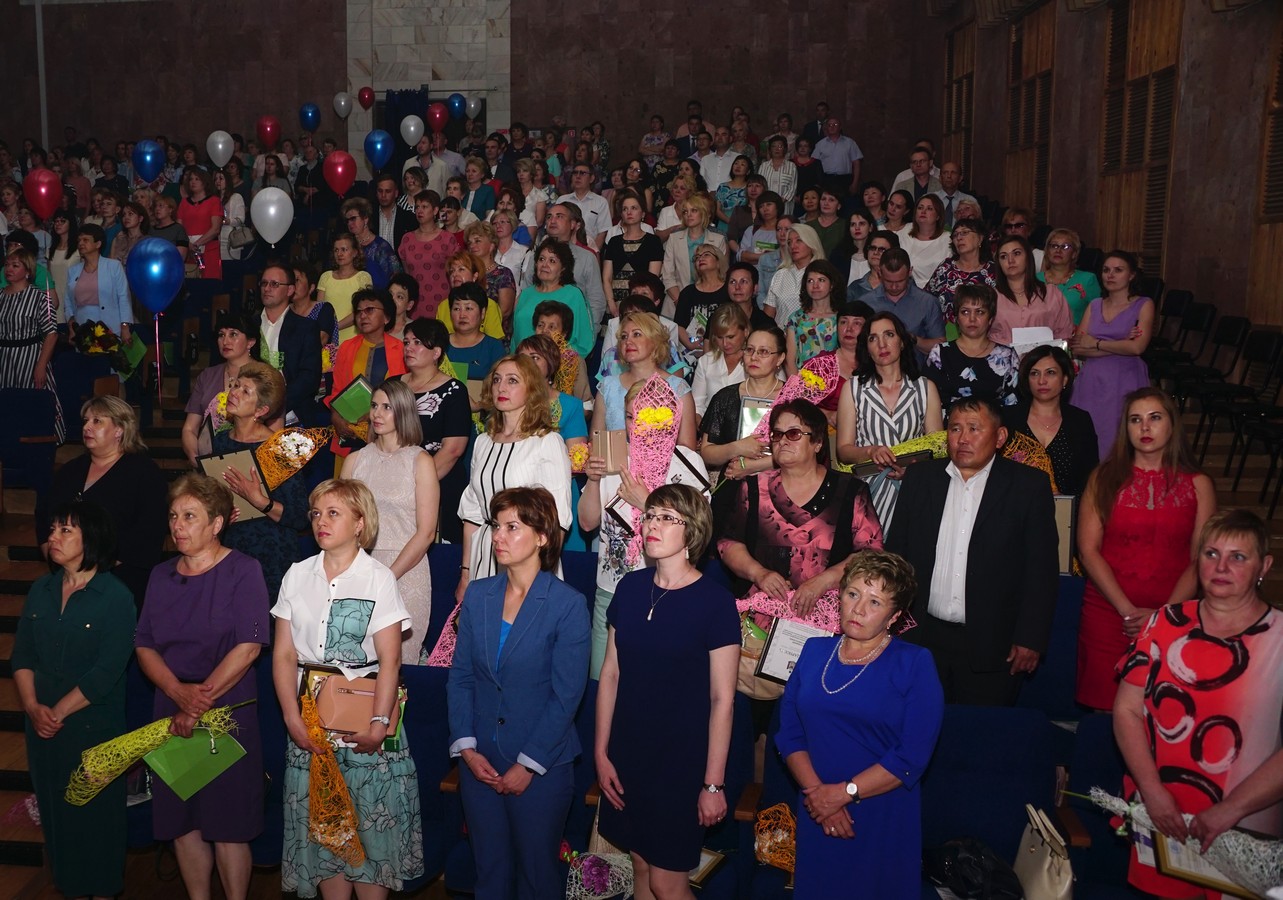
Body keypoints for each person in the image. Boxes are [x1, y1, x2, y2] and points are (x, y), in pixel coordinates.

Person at [1114, 509, 1283, 898]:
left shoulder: (1279, 639)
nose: (1221, 567)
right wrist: (1153, 792)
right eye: (1211, 554)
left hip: (1246, 824)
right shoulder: (1163, 623)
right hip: (1164, 816)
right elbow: (1126, 711)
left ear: (1264, 566)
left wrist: (1230, 810)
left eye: (1237, 557)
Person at [271, 479, 423, 898]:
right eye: (316, 513)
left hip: (365, 719)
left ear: (360, 523)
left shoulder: (378, 579)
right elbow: (283, 655)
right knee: (323, 838)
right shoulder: (297, 574)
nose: (321, 521)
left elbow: (390, 661)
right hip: (310, 723)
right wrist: (290, 718)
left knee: (372, 839)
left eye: (333, 513)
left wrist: (379, 723)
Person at [596, 485, 739, 898]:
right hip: (628, 753)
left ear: (692, 530)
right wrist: (601, 752)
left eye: (666, 518)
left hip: (681, 763)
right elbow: (610, 674)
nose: (651, 525)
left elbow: (723, 700)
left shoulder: (715, 602)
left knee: (667, 882)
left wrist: (713, 784)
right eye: (649, 515)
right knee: (641, 866)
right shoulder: (630, 587)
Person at [447, 486, 591, 899]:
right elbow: (460, 677)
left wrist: (528, 765)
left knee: (537, 879)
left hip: (541, 765)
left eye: (512, 527)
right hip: (479, 762)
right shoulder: (479, 595)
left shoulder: (567, 604)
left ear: (542, 536)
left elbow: (567, 696)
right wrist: (466, 749)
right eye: (496, 526)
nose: (498, 536)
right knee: (489, 876)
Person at [776, 550, 944, 897]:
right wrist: (819, 797)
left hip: (880, 814)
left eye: (875, 602)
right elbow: (789, 734)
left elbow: (911, 756)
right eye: (853, 594)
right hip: (816, 808)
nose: (859, 609)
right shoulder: (814, 651)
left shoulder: (914, 663)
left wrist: (842, 794)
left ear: (894, 616)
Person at [135, 475, 268, 900]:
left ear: (216, 524)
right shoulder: (160, 575)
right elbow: (144, 644)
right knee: (182, 821)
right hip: (171, 709)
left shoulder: (243, 570)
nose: (178, 525)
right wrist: (178, 694)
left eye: (190, 516)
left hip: (226, 710)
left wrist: (196, 702)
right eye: (174, 516)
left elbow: (249, 646)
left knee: (228, 825)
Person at [886, 397, 1059, 706]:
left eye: (974, 429)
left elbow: (1041, 571)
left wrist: (1030, 638)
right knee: (919, 727)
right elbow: (897, 554)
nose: (962, 438)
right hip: (922, 637)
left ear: (1000, 437)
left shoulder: (1028, 487)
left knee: (981, 730)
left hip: (994, 642)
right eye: (955, 429)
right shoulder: (921, 479)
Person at [15, 501, 134, 899]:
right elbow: (22, 656)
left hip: (92, 729)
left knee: (97, 826)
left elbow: (107, 671)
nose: (53, 537)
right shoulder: (41, 589)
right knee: (57, 822)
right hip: (43, 730)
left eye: (65, 530)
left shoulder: (115, 597)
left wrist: (58, 711)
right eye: (53, 529)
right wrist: (33, 708)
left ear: (91, 538)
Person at [1077, 388, 1215, 710]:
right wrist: (1127, 611)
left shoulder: (1199, 484)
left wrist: (1162, 617)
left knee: (1165, 711)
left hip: (1175, 613)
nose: (1145, 427)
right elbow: (1088, 551)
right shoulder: (1103, 478)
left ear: (1172, 424)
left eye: (1155, 418)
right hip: (1109, 612)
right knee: (1104, 711)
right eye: (1135, 420)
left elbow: (1200, 559)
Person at [581, 380, 710, 676]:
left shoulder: (687, 462)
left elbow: (698, 533)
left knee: (655, 681)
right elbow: (587, 523)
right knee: (603, 679)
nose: (635, 424)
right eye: (629, 416)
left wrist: (646, 503)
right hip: (611, 589)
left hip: (669, 592)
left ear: (667, 417)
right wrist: (593, 480)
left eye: (646, 415)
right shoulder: (613, 457)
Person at [716, 398, 886, 608]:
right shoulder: (753, 487)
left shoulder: (850, 490)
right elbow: (728, 544)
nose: (783, 441)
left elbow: (871, 552)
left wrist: (824, 581)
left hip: (827, 610)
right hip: (759, 608)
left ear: (818, 443)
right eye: (777, 434)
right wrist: (759, 574)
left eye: (794, 434)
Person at [456, 355, 574, 601]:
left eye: (512, 380)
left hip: (529, 560)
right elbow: (472, 514)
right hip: (484, 554)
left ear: (531, 389)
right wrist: (465, 573)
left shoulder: (547, 442)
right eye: (497, 380)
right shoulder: (483, 442)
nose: (501, 387)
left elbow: (558, 518)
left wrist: (538, 574)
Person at [38, 396, 168, 606]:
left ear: (119, 430)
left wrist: (95, 569)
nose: (87, 427)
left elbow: (149, 530)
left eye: (97, 421)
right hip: (66, 577)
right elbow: (44, 514)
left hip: (121, 580)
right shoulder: (70, 470)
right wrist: (54, 555)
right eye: (85, 421)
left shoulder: (144, 472)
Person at [344, 379, 439, 664]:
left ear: (403, 412)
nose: (377, 413)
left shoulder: (420, 460)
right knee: (354, 662)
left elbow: (426, 533)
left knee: (398, 665)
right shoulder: (355, 460)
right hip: (359, 568)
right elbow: (341, 524)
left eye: (387, 407)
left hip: (407, 570)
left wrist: (387, 576)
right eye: (374, 406)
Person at [211, 361, 310, 598]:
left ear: (261, 411)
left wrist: (259, 501)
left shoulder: (281, 448)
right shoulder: (220, 441)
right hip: (229, 547)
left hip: (272, 554)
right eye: (236, 385)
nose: (234, 393)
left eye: (245, 391)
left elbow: (300, 517)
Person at [837, 312, 944, 527]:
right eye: (873, 338)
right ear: (867, 348)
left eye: (889, 334)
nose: (882, 344)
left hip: (913, 490)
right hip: (867, 492)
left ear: (902, 342)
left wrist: (912, 472)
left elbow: (937, 449)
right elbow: (843, 451)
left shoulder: (925, 388)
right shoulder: (853, 388)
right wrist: (870, 451)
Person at [1068, 250, 1155, 458]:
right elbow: (1078, 347)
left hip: (1125, 379)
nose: (1110, 275)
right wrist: (1120, 343)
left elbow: (1137, 348)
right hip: (1092, 381)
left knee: (1120, 438)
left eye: (1118, 270)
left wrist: (1096, 343)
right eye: (1106, 270)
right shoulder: (1094, 305)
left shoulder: (1144, 304)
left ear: (1131, 275)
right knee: (1088, 438)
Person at [400, 317, 471, 543]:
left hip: (439, 479)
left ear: (436, 352)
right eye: (406, 342)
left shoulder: (454, 390)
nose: (409, 348)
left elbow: (453, 449)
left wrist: (417, 484)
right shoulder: (393, 386)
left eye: (417, 342)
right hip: (394, 475)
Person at [594, 309, 699, 449]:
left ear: (655, 341)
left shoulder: (678, 389)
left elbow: (687, 449)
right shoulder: (607, 386)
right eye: (624, 337)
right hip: (615, 463)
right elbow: (596, 444)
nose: (628, 341)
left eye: (636, 334)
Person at [1003, 345, 1100, 496]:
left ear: (1065, 379)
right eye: (1034, 373)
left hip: (1068, 508)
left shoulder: (1080, 421)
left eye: (1050, 373)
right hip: (1014, 507)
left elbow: (1091, 478)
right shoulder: (1007, 418)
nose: (1042, 381)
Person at [325, 288, 407, 462]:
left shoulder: (401, 350)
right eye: (359, 312)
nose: (363, 315)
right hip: (350, 434)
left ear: (386, 317)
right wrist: (335, 417)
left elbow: (405, 396)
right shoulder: (346, 347)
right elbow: (337, 391)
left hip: (388, 434)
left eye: (370, 310)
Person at [699, 325, 787, 483]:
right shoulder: (725, 397)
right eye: (749, 350)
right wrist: (737, 447)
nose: (754, 357)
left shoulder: (791, 398)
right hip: (733, 481)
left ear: (780, 358)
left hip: (781, 485)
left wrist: (753, 466)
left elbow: (804, 451)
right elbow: (707, 452)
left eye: (764, 352)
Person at [924, 284, 1020, 412]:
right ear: (956, 318)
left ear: (990, 319)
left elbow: (1014, 404)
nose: (972, 319)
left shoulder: (1008, 355)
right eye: (965, 312)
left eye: (980, 312)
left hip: (997, 423)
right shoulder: (940, 354)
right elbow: (927, 401)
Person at [0, 246, 62, 440]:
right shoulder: (0, 296)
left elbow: (52, 334)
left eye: (15, 265)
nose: (9, 269)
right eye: (7, 265)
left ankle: (37, 443)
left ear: (27, 271)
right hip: (4, 359)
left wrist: (41, 365)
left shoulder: (39, 297)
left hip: (30, 357)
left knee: (31, 403)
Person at [182, 311, 258, 465]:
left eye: (233, 334)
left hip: (251, 460)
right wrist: (198, 460)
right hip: (209, 461)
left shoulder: (264, 376)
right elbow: (189, 428)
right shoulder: (207, 375)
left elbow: (275, 429)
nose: (225, 341)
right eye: (221, 335)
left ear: (250, 342)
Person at [255, 263, 325, 428]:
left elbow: (309, 378)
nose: (267, 288)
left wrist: (274, 404)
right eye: (264, 283)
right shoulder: (249, 325)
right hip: (250, 410)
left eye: (274, 284)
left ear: (290, 290)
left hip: (292, 412)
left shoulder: (306, 328)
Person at [511, 239, 595, 357]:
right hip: (522, 362)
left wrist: (555, 360)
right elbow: (515, 339)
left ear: (563, 268)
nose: (545, 265)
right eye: (541, 259)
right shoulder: (525, 294)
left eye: (552, 261)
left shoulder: (574, 295)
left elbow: (584, 343)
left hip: (558, 363)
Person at [857, 249, 945, 360]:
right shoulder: (865, 303)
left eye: (900, 281)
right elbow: (858, 345)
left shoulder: (927, 302)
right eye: (888, 281)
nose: (894, 287)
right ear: (879, 272)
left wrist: (912, 339)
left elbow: (940, 347)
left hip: (917, 369)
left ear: (910, 272)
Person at [990, 236, 1073, 345]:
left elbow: (1064, 335)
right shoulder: (991, 296)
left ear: (1028, 257)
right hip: (1000, 354)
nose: (1010, 260)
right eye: (1003, 256)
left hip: (1045, 354)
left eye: (1016, 253)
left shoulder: (1051, 294)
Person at [924, 216, 997, 335]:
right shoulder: (945, 267)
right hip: (945, 335)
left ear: (980, 238)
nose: (959, 238)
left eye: (964, 233)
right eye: (955, 235)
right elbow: (927, 299)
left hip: (986, 335)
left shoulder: (992, 270)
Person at [661, 195, 728, 312]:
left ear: (704, 213)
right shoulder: (674, 238)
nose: (689, 215)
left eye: (694, 210)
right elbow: (667, 275)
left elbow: (722, 273)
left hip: (711, 302)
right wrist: (681, 302)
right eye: (685, 211)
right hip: (675, 302)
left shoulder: (718, 240)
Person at [65, 223, 132, 341]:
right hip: (82, 329)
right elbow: (68, 301)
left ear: (98, 244)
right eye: (79, 240)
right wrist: (71, 327)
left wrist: (125, 327)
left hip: (110, 328)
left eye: (85, 240)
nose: (80, 243)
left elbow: (123, 297)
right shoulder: (73, 271)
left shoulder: (114, 266)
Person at [602, 190, 664, 313]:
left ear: (643, 213)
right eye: (625, 209)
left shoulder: (653, 241)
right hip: (615, 305)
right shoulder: (614, 241)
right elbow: (606, 278)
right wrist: (612, 305)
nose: (629, 212)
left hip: (641, 306)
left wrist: (640, 307)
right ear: (621, 214)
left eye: (634, 208)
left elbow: (652, 280)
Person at [813, 300, 873, 423]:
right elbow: (797, 401)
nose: (849, 329)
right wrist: (827, 414)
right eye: (843, 322)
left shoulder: (878, 363)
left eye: (857, 323)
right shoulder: (820, 364)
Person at [399, 190, 454, 319]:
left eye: (424, 207)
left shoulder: (447, 238)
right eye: (417, 207)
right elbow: (407, 273)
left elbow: (454, 273)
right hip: (415, 303)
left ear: (435, 210)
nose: (419, 211)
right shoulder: (407, 239)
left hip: (442, 301)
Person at [691, 303, 749, 420]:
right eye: (719, 337)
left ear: (746, 332)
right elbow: (697, 406)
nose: (725, 343)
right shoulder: (706, 361)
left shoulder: (758, 361)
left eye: (731, 337)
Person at [786, 259, 842, 375]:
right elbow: (790, 360)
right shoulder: (796, 318)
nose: (815, 286)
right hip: (802, 380)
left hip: (835, 379)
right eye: (810, 281)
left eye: (821, 280)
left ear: (832, 285)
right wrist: (797, 384)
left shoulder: (841, 318)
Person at [674, 242, 730, 355]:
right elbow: (679, 325)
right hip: (693, 351)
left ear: (718, 262)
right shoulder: (688, 292)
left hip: (723, 350)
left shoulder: (729, 290)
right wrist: (689, 344)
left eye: (706, 254)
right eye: (697, 257)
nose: (700, 258)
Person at [765, 221, 824, 327]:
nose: (793, 246)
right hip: (781, 334)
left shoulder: (823, 274)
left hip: (813, 333)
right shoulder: (780, 275)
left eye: (799, 240)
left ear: (811, 244)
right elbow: (768, 316)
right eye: (789, 242)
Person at [1038, 227, 1102, 325]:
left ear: (1074, 254)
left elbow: (1099, 316)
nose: (1058, 250)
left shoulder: (1087, 279)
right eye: (1054, 246)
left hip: (1075, 333)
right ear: (1047, 251)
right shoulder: (1034, 279)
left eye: (1065, 246)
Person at [445, 282, 507, 381]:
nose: (462, 315)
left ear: (482, 313)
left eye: (468, 308)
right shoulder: (440, 345)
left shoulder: (493, 347)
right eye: (456, 309)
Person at [321, 233, 374, 344]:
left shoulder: (363, 277)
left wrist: (335, 327)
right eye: (336, 250)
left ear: (354, 253)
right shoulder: (326, 277)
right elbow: (319, 310)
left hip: (354, 339)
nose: (339, 254)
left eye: (344, 249)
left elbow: (363, 309)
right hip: (328, 340)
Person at [342, 196, 402, 290]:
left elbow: (396, 277)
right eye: (347, 220)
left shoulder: (381, 247)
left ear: (365, 219)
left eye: (353, 219)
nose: (349, 223)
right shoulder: (346, 246)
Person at [176, 167, 224, 282]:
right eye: (191, 179)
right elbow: (178, 228)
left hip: (208, 249)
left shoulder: (214, 201)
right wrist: (188, 245)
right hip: (189, 250)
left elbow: (215, 229)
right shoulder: (184, 203)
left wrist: (196, 244)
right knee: (190, 281)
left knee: (209, 283)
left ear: (205, 182)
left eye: (197, 179)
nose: (193, 182)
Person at [828, 208, 876, 286]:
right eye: (853, 224)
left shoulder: (877, 253)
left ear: (870, 227)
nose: (857, 228)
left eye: (861, 224)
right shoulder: (838, 255)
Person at [846, 230, 898, 299]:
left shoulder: (901, 285)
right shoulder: (855, 288)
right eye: (872, 248)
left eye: (881, 249)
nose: (876, 252)